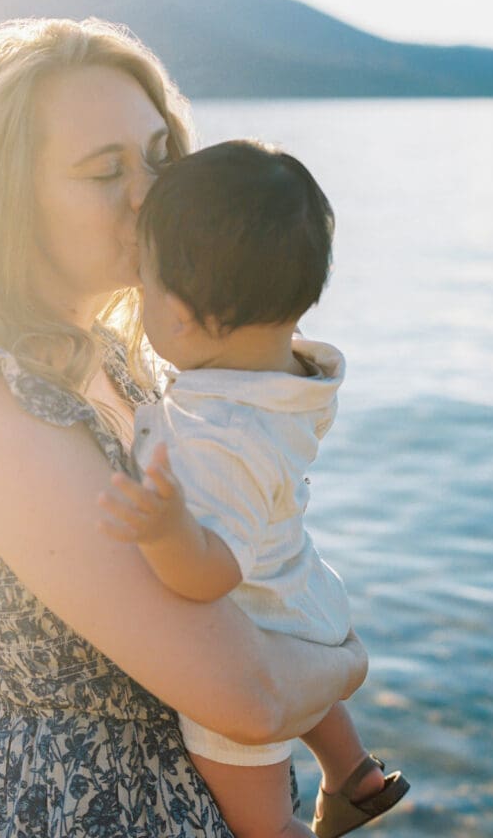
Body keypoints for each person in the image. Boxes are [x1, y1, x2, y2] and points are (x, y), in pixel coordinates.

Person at [0, 18, 368, 837]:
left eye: (158, 158)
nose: (149, 195)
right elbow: (245, 695)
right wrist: (345, 660)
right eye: (105, 172)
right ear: (5, 203)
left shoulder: (120, 362)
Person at [97, 140, 409, 838]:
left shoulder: (217, 436)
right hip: (304, 605)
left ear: (178, 315)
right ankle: (353, 772)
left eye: (143, 286)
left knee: (261, 826)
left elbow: (210, 576)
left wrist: (164, 529)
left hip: (260, 638)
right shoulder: (288, 379)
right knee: (316, 707)